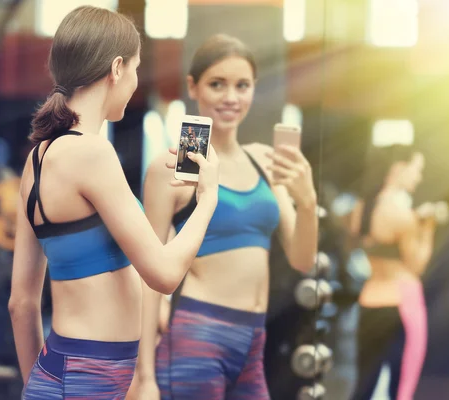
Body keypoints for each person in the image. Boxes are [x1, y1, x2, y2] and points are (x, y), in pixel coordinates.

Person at [8, 6, 219, 399]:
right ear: (117, 68)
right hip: (86, 382)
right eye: (137, 68)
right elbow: (164, 274)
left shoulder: (35, 161)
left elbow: (21, 304)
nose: (137, 82)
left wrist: (39, 386)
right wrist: (208, 197)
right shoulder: (93, 154)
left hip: (63, 376)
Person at [128, 34, 318, 400]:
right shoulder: (175, 167)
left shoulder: (264, 160)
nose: (231, 97)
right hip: (197, 338)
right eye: (217, 84)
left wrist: (307, 203)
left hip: (253, 341)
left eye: (242, 85)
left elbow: (302, 259)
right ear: (193, 87)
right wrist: (144, 375)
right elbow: (148, 276)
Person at [348, 145, 435, 400]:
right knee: (403, 387)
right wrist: (427, 229)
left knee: (364, 383)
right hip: (401, 301)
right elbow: (416, 265)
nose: (418, 177)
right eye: (416, 170)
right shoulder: (402, 214)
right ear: (398, 168)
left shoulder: (360, 211)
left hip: (369, 301)